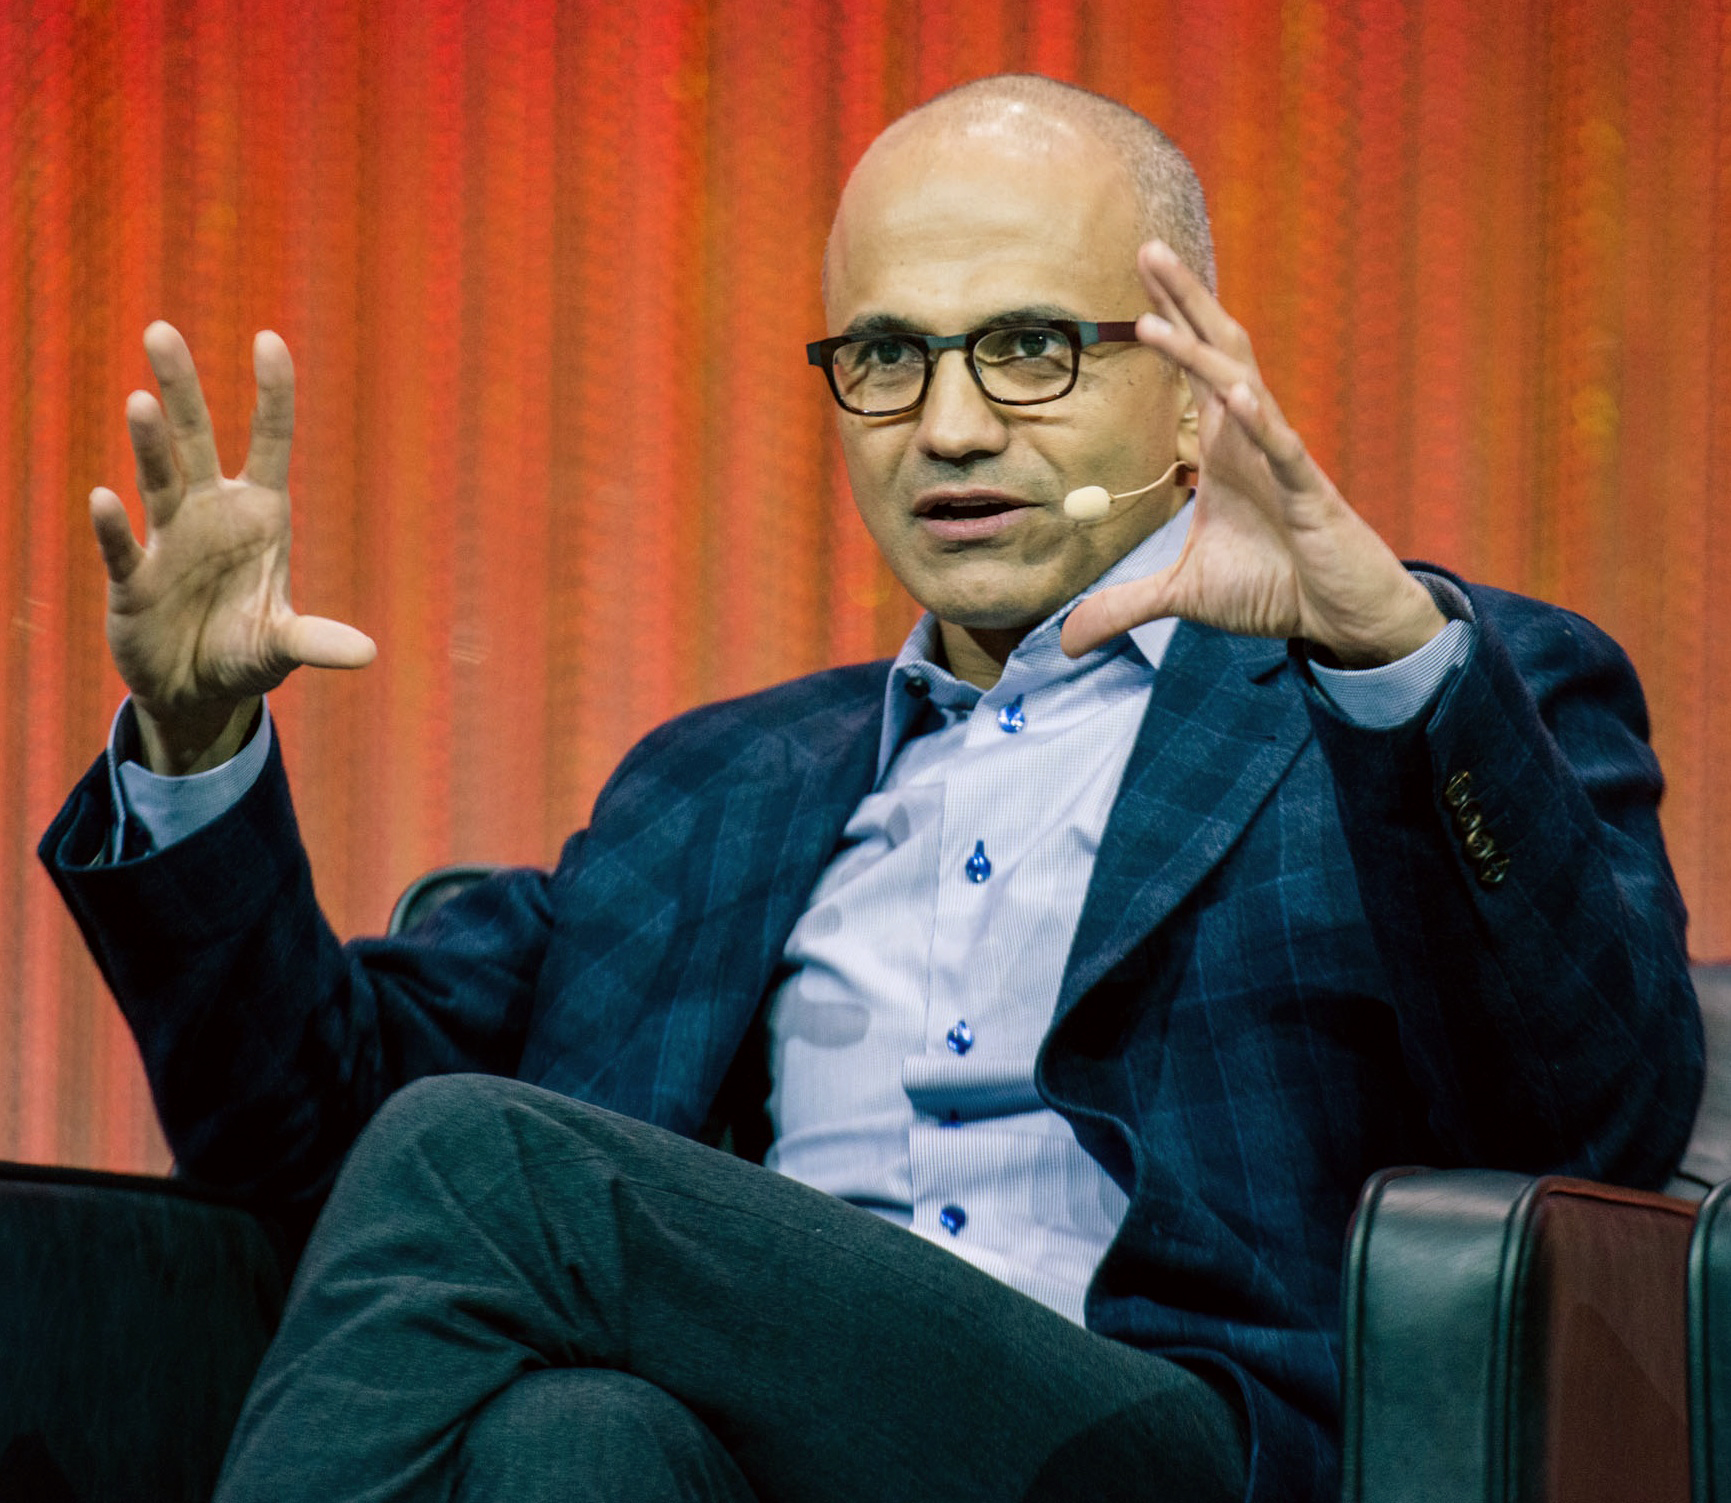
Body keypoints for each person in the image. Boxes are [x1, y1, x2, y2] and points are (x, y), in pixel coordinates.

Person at [41, 74, 1701, 1503]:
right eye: (891, 359)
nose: (953, 426)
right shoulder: (719, 785)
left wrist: (1390, 659)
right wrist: (196, 749)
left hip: (1162, 1444)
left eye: (1033, 348)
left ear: (1194, 384)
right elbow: (322, 1157)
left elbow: (1594, 1122)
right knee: (574, 1438)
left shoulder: (1414, 683)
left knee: (489, 1167)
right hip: (768, 1451)